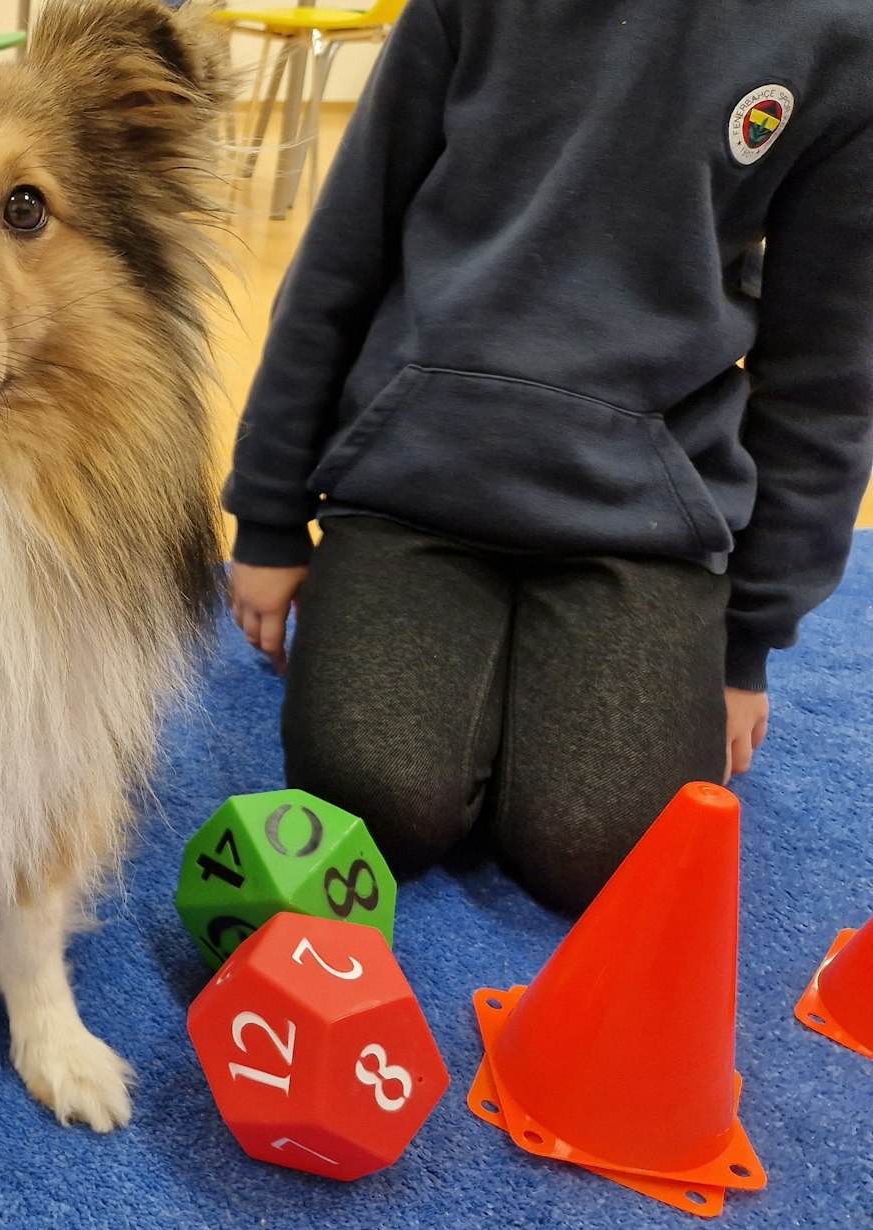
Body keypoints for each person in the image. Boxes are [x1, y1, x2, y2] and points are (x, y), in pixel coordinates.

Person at [223, 0, 873, 911]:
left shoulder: (840, 37)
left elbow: (824, 376)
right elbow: (344, 249)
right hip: (415, 483)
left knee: (599, 845)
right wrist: (269, 515)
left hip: (642, 523)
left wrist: (746, 643)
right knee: (374, 797)